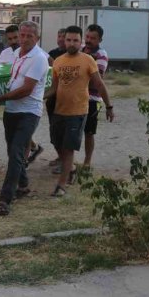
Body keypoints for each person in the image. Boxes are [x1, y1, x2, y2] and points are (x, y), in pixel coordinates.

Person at [0, 21, 49, 215]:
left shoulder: (39, 58)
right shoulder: (14, 54)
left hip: (29, 112)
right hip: (11, 111)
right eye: (23, 35)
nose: (25, 38)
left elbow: (27, 89)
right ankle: (23, 184)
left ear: (37, 38)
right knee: (13, 151)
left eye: (30, 35)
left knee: (16, 152)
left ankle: (5, 198)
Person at [46, 25, 114, 197]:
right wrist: (39, 97)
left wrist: (109, 106)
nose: (72, 43)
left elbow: (99, 84)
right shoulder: (59, 61)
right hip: (59, 110)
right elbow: (54, 87)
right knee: (56, 143)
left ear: (80, 41)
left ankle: (61, 185)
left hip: (79, 111)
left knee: (69, 148)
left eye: (76, 40)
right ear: (64, 40)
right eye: (69, 39)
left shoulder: (88, 60)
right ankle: (72, 168)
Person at [81, 24, 109, 169]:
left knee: (89, 132)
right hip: (76, 97)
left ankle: (87, 161)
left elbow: (96, 80)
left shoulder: (101, 55)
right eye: (87, 37)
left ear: (100, 40)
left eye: (93, 38)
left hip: (92, 99)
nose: (89, 40)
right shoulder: (80, 49)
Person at [46, 28, 68, 170]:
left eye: (63, 37)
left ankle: (66, 162)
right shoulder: (51, 54)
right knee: (54, 131)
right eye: (58, 36)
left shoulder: (72, 55)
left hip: (66, 100)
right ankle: (60, 156)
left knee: (64, 131)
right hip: (52, 99)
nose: (60, 39)